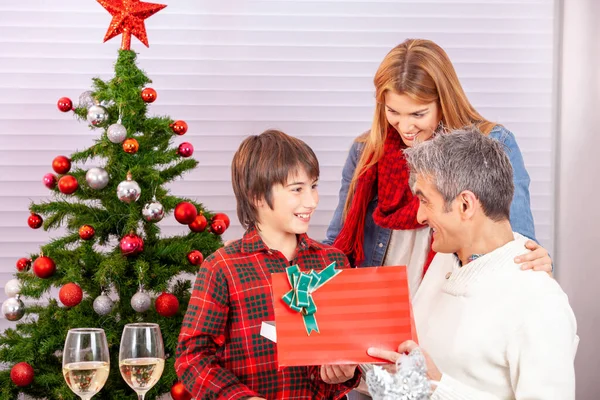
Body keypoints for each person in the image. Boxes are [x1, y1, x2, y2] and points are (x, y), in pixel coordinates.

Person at [325, 38, 553, 399]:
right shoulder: (366, 151)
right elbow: (337, 249)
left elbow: (510, 243)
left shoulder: (490, 144)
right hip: (378, 346)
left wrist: (536, 256)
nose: (405, 127)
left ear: (443, 100)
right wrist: (325, 327)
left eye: (418, 113)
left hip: (446, 335)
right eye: (393, 112)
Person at [367, 129, 578, 399]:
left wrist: (438, 387)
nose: (419, 216)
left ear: (465, 205)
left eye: (424, 200)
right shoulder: (445, 262)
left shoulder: (539, 301)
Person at [175, 129, 359, 399]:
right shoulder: (222, 268)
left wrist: (344, 373)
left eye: (314, 186)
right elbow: (192, 357)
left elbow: (347, 350)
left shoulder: (333, 262)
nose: (312, 201)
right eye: (297, 189)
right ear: (257, 196)